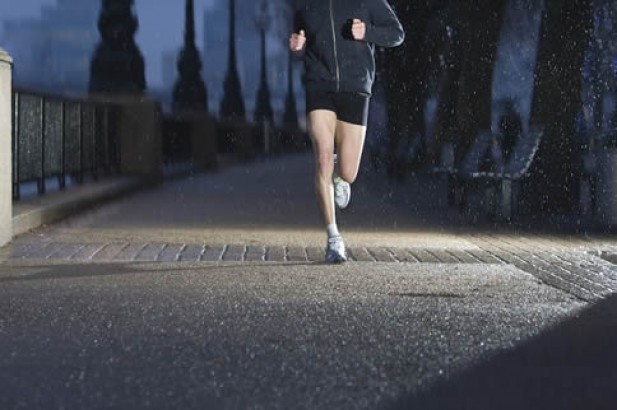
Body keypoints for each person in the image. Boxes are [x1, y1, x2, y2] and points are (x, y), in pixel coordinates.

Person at [289, 0, 404, 263]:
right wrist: (296, 47)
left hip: (355, 88)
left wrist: (368, 33)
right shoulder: (306, 6)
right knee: (323, 159)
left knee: (349, 172)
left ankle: (341, 177)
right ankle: (333, 237)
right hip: (319, 86)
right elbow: (299, 41)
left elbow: (397, 34)